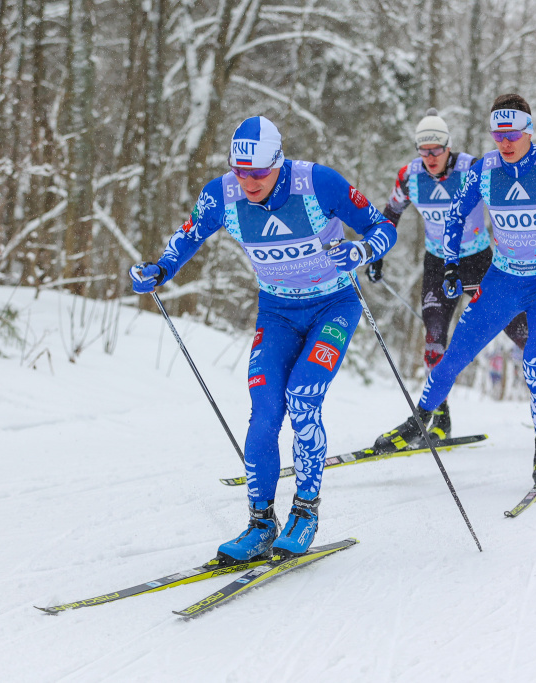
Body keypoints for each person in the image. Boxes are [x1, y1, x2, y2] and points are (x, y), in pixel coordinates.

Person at [129, 116, 396, 560]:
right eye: (240, 170)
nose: (248, 181)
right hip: (277, 312)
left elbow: (381, 226)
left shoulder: (318, 183)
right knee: (265, 409)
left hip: (333, 306)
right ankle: (259, 523)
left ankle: (305, 511)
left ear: (278, 161)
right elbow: (190, 233)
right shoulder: (223, 194)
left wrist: (363, 250)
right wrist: (160, 269)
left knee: (304, 396)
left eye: (257, 171)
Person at [372, 93, 536, 488]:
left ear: (528, 131)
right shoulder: (484, 169)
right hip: (501, 280)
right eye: (497, 134)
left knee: (534, 363)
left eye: (512, 134)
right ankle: (419, 422)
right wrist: (449, 262)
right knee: (450, 358)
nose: (504, 142)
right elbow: (455, 214)